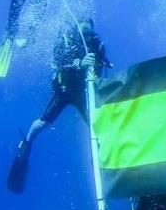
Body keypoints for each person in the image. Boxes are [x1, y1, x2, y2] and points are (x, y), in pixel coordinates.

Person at [7, 19, 110, 193]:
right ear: (78, 25)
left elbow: (103, 64)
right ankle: (26, 146)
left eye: (90, 26)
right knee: (42, 122)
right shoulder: (67, 39)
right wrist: (79, 63)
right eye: (84, 25)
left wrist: (100, 64)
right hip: (65, 90)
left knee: (97, 127)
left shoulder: (96, 42)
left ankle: (101, 158)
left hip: (83, 94)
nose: (87, 29)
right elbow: (56, 61)